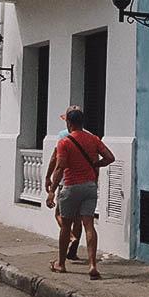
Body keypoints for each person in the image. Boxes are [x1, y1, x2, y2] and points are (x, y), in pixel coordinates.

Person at [47, 108, 114, 279]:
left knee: (65, 227)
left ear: (69, 123)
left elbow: (60, 167)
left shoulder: (65, 142)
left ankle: (61, 264)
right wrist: (94, 165)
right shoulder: (93, 139)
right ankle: (92, 265)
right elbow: (109, 157)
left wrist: (52, 191)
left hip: (71, 186)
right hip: (90, 187)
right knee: (89, 225)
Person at [44, 106, 85, 260]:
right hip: (84, 183)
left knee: (59, 214)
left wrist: (49, 178)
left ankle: (71, 238)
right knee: (78, 219)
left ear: (69, 121)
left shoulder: (64, 135)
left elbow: (56, 159)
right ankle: (73, 252)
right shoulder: (89, 135)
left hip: (66, 182)